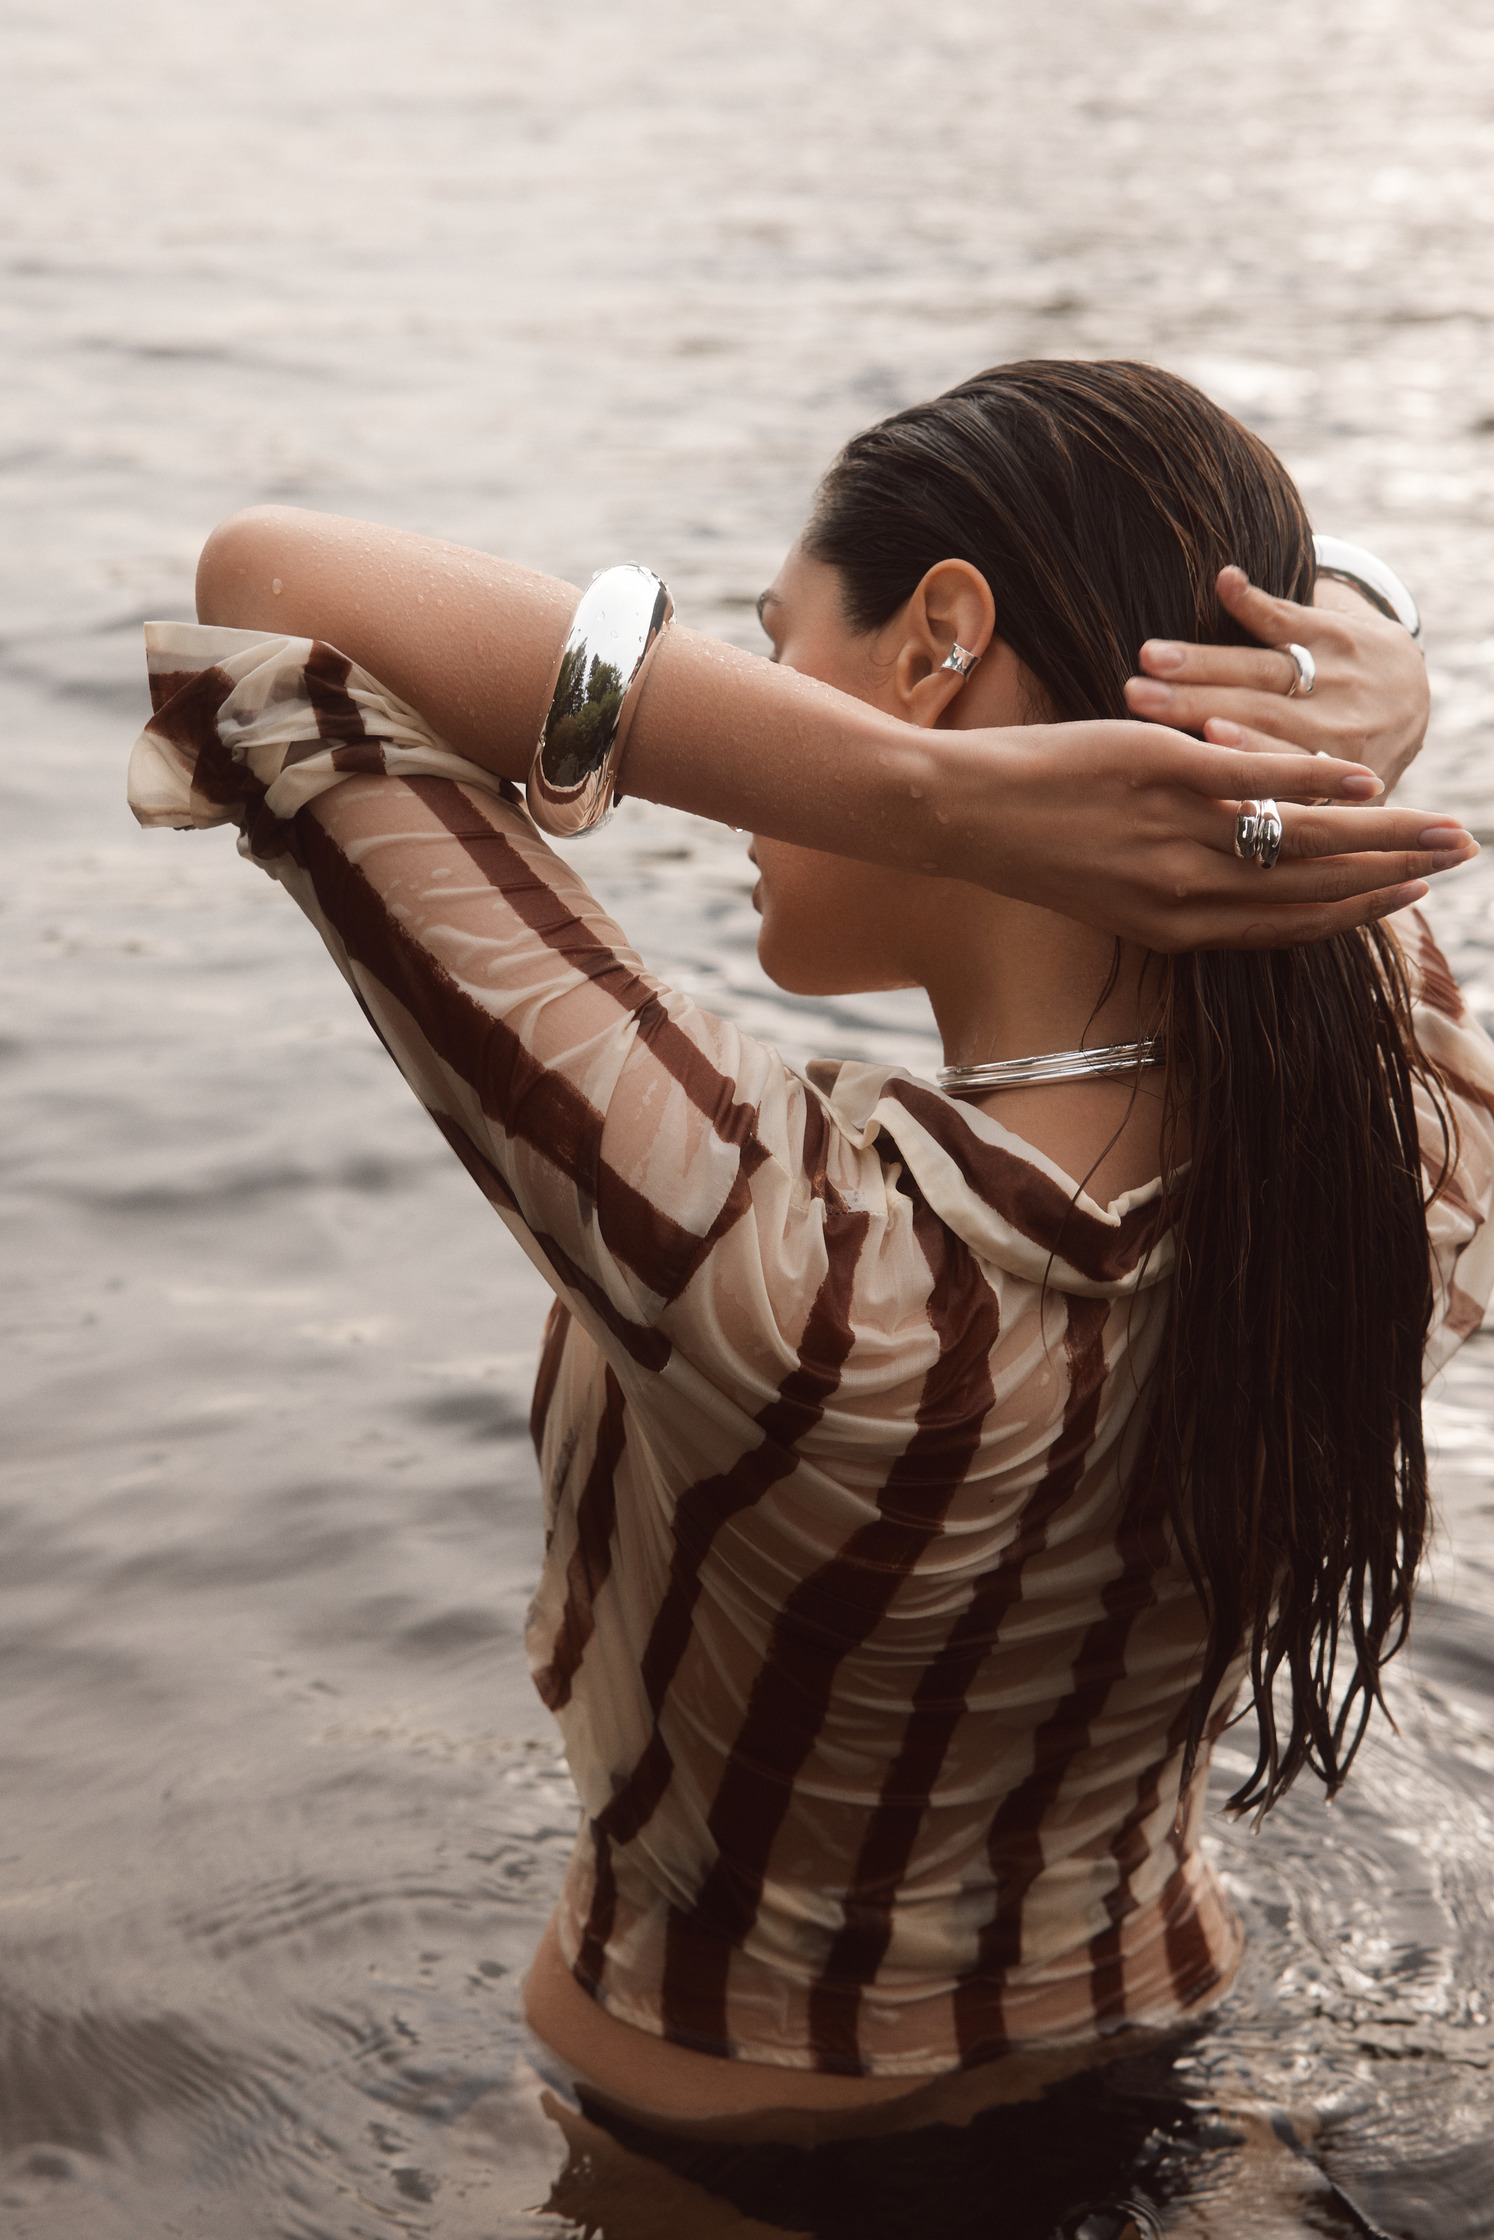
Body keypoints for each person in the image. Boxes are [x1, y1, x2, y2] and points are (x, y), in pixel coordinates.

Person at [130, 360, 1494, 2234]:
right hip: (1169, 2050)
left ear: (941, 637)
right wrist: (1365, 646)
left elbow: (263, 585)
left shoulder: (787, 1248)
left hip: (711, 2164)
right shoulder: (1396, 1133)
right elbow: (1301, 742)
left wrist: (919, 798)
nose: (755, 746)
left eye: (777, 661)